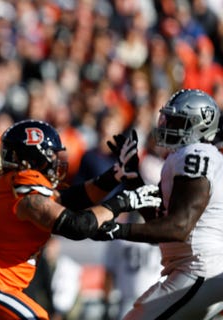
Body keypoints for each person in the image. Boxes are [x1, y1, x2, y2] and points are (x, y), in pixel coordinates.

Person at [0, 119, 161, 320]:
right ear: (33, 158)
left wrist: (116, 175)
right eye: (50, 155)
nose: (55, 162)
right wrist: (124, 201)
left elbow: (72, 199)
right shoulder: (24, 184)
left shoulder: (8, 185)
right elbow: (76, 225)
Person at [92, 89, 223, 319]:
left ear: (200, 125)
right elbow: (162, 225)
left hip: (200, 268)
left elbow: (178, 228)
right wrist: (133, 178)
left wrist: (116, 230)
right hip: (193, 269)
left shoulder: (197, 153)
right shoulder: (184, 156)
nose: (168, 126)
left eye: (177, 121)